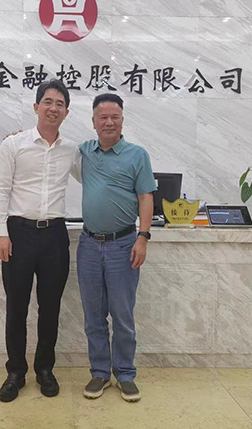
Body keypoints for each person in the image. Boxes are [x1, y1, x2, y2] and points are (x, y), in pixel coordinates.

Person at [0, 79, 80, 403]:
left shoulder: (72, 151)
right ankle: (16, 372)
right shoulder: (13, 145)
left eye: (60, 104)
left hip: (55, 235)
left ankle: (45, 369)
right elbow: (0, 189)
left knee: (50, 308)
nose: (53, 108)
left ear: (66, 112)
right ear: (36, 106)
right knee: (16, 307)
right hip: (19, 233)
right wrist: (0, 232)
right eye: (48, 102)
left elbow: (94, 175)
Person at [77, 93, 156, 402]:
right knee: (93, 316)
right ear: (93, 122)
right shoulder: (84, 152)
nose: (109, 122)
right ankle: (100, 373)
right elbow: (50, 149)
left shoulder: (137, 155)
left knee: (122, 315)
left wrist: (143, 237)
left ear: (122, 120)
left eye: (115, 117)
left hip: (124, 245)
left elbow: (146, 197)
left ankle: (125, 373)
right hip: (88, 246)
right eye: (103, 117)